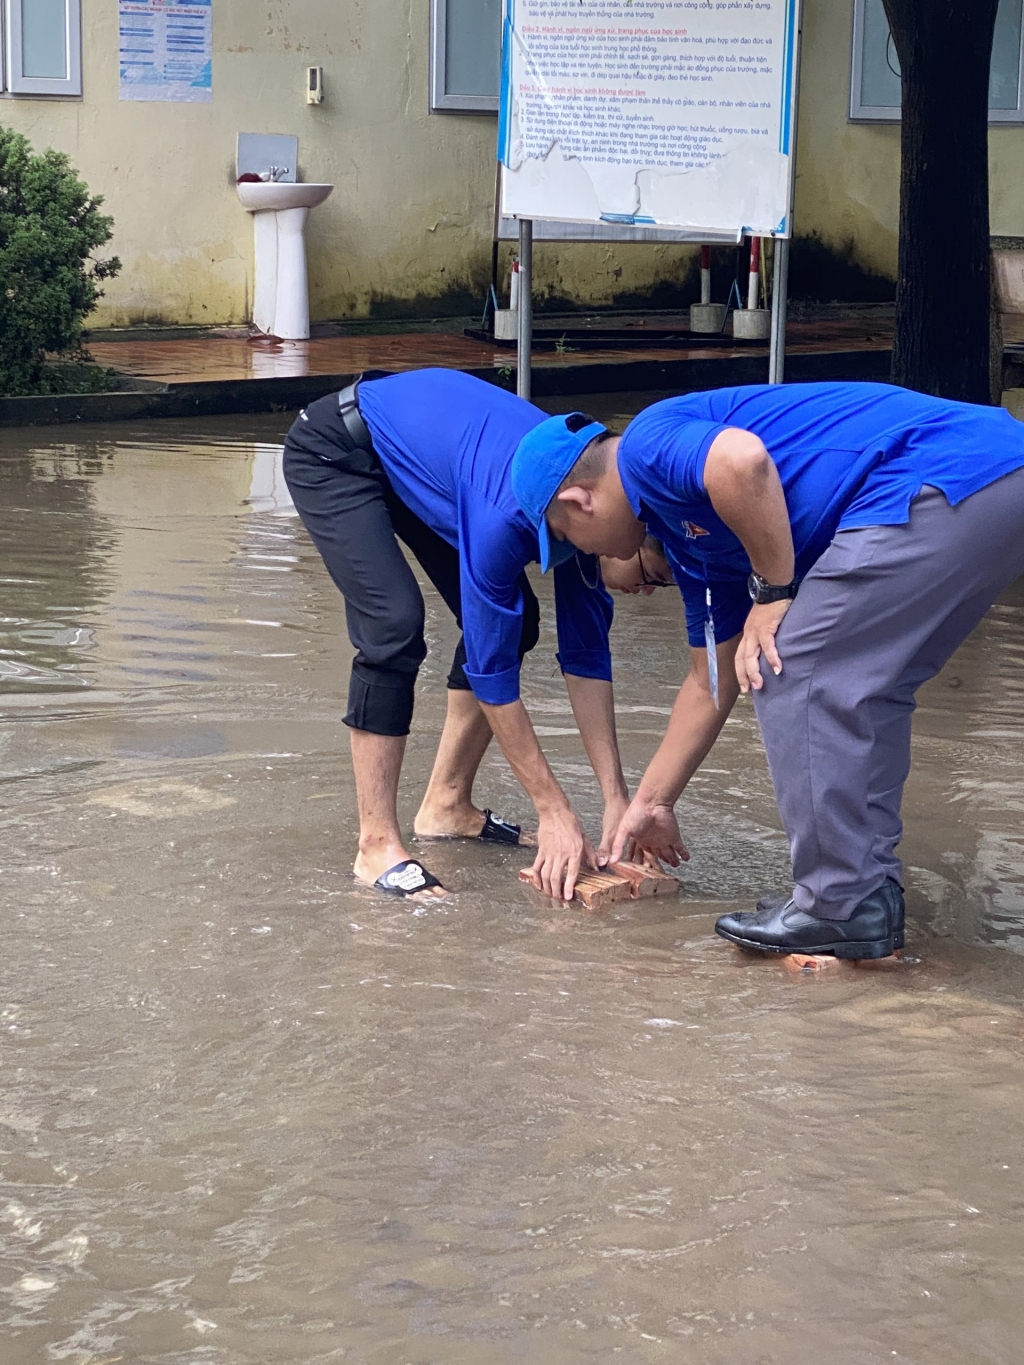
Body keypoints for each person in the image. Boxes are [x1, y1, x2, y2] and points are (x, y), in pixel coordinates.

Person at [510, 383, 1024, 958]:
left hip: (944, 477)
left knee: (790, 662)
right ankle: (867, 893)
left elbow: (741, 459)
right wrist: (652, 802)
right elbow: (714, 679)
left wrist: (774, 589)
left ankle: (839, 904)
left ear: (581, 502)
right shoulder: (693, 544)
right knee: (867, 686)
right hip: (996, 477)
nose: (577, 551)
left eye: (564, 538)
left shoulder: (644, 451)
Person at [282, 368, 631, 901]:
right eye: (649, 570)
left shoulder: (597, 494)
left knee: (517, 627)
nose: (648, 587)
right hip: (337, 449)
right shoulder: (509, 514)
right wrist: (552, 809)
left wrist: (616, 800)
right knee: (393, 626)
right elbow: (492, 677)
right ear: (581, 504)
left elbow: (586, 654)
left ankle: (446, 805)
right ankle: (375, 845)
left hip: (429, 461)